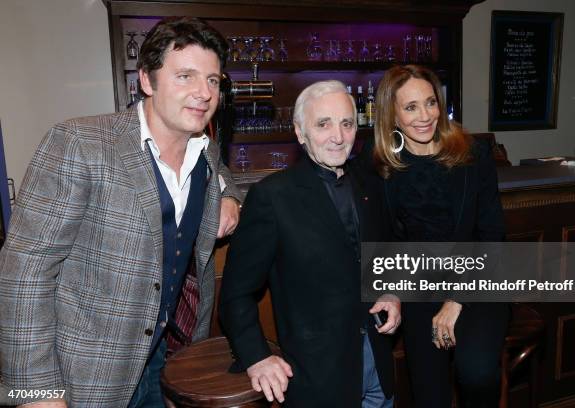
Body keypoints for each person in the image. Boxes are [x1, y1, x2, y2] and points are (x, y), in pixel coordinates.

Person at [0, 17, 242, 408]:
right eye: (185, 76)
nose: (203, 92)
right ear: (146, 81)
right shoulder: (80, 143)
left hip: (168, 357)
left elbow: (222, 171)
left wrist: (229, 196)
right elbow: (23, 271)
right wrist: (36, 393)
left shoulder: (206, 151)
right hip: (86, 373)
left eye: (213, 80)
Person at [219, 80, 401, 407]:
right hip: (319, 379)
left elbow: (382, 253)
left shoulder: (370, 183)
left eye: (346, 123)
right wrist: (257, 357)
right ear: (301, 133)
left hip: (378, 367)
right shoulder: (273, 197)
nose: (338, 135)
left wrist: (391, 292)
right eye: (323, 124)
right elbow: (235, 294)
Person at [371, 65, 509, 408]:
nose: (425, 116)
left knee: (475, 371)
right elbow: (385, 238)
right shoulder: (381, 164)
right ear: (392, 115)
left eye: (430, 103)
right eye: (411, 107)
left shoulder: (473, 154)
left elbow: (491, 235)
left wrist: (456, 298)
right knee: (428, 391)